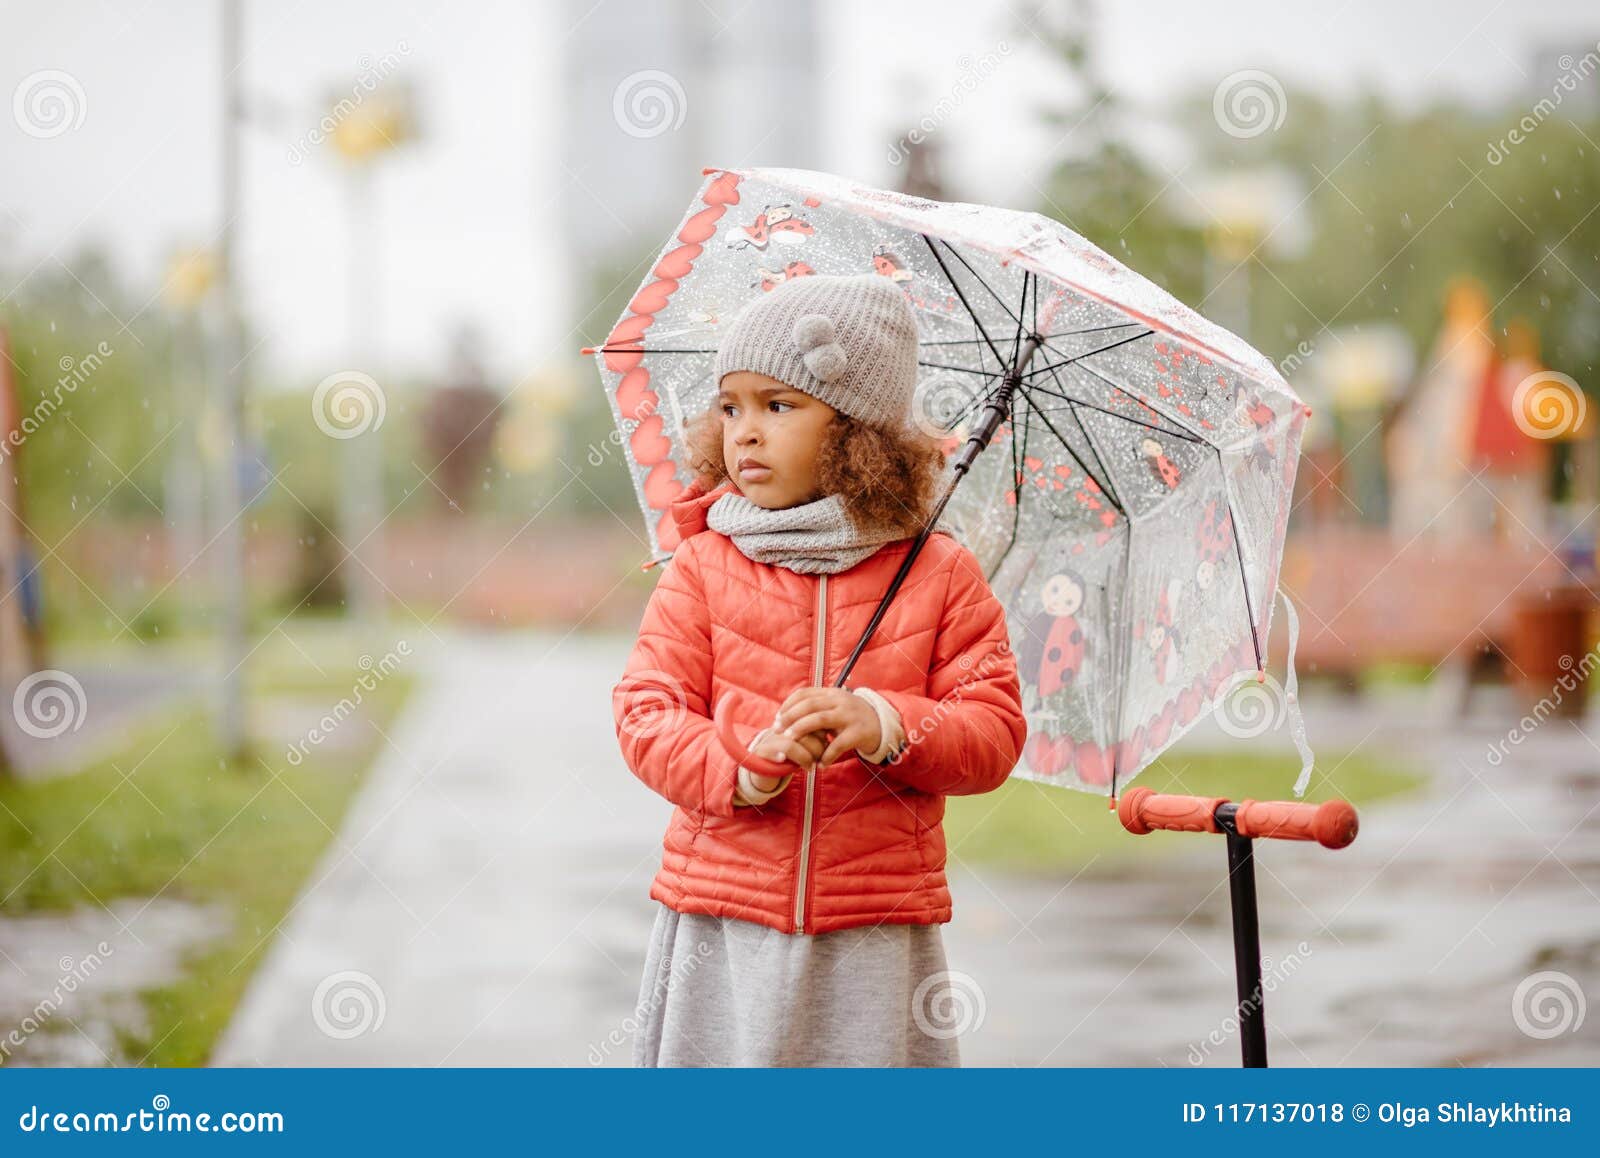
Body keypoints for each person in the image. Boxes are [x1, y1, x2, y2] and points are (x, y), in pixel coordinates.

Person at [611, 271, 1027, 1067]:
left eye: (779, 405)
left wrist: (888, 722)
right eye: (730, 407)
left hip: (871, 929)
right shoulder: (702, 565)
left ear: (856, 432)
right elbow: (646, 711)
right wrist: (742, 766)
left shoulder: (938, 574)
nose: (746, 433)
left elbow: (995, 731)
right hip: (722, 918)